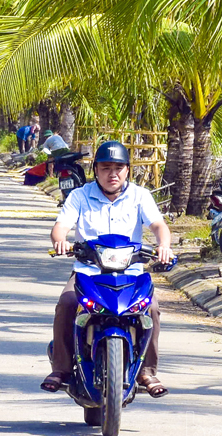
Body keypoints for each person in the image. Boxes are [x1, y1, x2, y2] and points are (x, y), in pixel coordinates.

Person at [42, 141, 174, 398]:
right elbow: (61, 226)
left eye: (118, 168)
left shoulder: (140, 196)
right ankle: (61, 369)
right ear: (96, 170)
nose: (112, 174)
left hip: (131, 273)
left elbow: (158, 225)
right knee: (67, 303)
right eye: (105, 168)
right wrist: (60, 240)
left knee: (153, 309)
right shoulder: (80, 195)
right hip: (88, 271)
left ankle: (148, 370)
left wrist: (164, 246)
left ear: (127, 170)